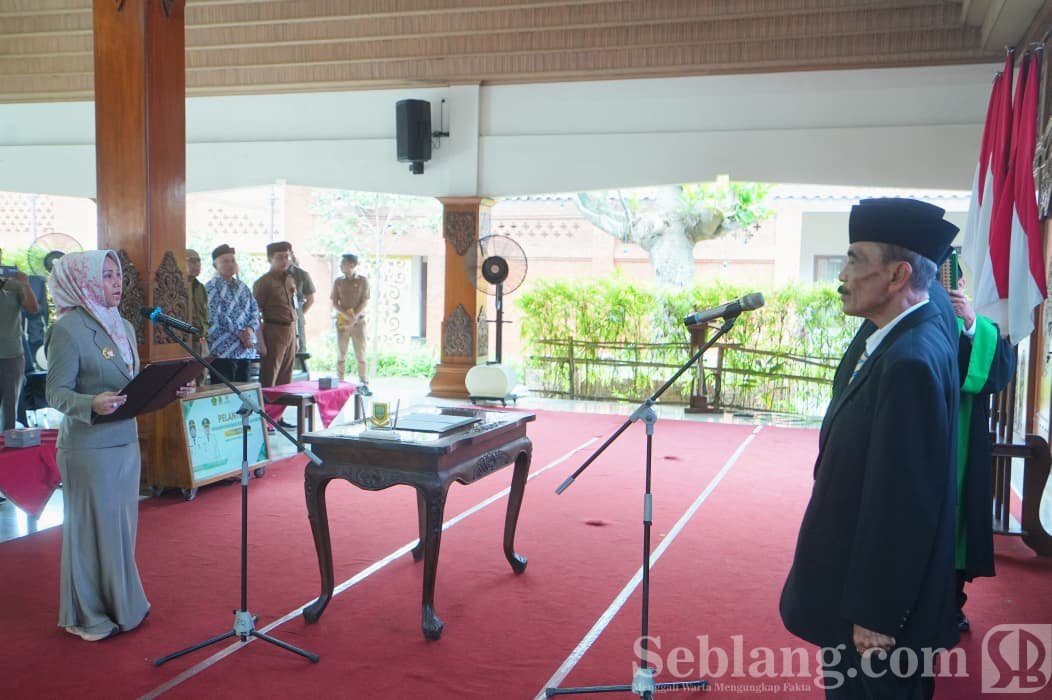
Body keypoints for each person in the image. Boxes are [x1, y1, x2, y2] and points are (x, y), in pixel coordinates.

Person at [780, 198, 960, 698]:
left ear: (899, 275)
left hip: (876, 617)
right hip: (853, 586)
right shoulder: (894, 331)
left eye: (855, 260)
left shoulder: (909, 362)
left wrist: (876, 613)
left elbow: (904, 503)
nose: (843, 276)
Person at [44, 250, 194, 642]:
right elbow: (55, 392)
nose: (117, 283)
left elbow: (131, 386)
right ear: (84, 281)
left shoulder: (123, 325)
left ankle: (122, 605)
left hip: (125, 441)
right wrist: (89, 403)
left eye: (118, 275)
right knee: (91, 532)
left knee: (120, 532)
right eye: (107, 275)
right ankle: (86, 614)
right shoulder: (68, 329)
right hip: (88, 448)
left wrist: (171, 389)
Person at [948, 276, 1015, 632]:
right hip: (911, 438)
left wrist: (971, 322)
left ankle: (950, 604)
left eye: (953, 281)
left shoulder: (975, 325)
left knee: (956, 518)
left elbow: (996, 373)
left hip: (960, 439)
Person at [205, 244, 261, 384]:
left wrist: (250, 330)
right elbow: (215, 315)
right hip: (222, 349)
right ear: (215, 265)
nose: (230, 264)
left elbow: (254, 310)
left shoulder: (243, 287)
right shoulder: (211, 286)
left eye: (232, 261)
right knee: (224, 391)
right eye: (225, 261)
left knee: (244, 390)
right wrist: (241, 333)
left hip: (245, 348)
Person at [0, 256, 40, 430]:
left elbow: (33, 309)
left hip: (11, 354)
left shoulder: (14, 285)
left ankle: (6, 443)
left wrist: (25, 284)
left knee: (9, 408)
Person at [252, 241, 297, 388]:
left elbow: (293, 307)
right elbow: (255, 313)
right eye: (279, 257)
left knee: (286, 376)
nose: (284, 261)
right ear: (270, 259)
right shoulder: (264, 282)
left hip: (290, 330)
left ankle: (282, 403)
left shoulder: (290, 279)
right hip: (273, 331)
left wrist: (296, 337)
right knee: (270, 374)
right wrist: (260, 341)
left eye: (287, 257)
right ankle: (267, 403)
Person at [331, 252, 371, 395]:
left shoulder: (363, 281)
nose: (341, 265)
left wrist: (354, 316)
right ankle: (340, 382)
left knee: (361, 354)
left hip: (359, 322)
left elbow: (365, 301)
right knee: (341, 353)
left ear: (352, 265)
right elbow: (335, 302)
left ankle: (364, 383)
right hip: (343, 321)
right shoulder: (338, 282)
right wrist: (347, 315)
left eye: (344, 263)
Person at [185, 249, 210, 385]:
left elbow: (205, 315)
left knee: (202, 379)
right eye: (192, 261)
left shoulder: (201, 287)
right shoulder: (177, 286)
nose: (196, 264)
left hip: (201, 340)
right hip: (185, 342)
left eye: (198, 261)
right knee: (188, 381)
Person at [287, 249, 316, 355]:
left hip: (297, 313)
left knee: (299, 348)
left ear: (291, 255)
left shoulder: (302, 274)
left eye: (287, 256)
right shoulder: (270, 277)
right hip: (277, 317)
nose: (284, 259)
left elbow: (310, 300)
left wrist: (298, 314)